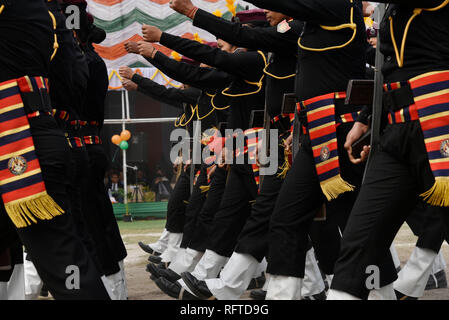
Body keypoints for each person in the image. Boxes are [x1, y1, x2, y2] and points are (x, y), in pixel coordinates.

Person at [327, 0, 449, 300]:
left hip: (440, 129)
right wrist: (367, 118)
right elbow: (391, 71)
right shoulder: (392, 10)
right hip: (395, 134)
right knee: (359, 239)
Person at [0, 0, 109, 299]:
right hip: (40, 131)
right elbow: (70, 81)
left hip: (18, 142)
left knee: (63, 261)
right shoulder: (53, 19)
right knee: (63, 256)